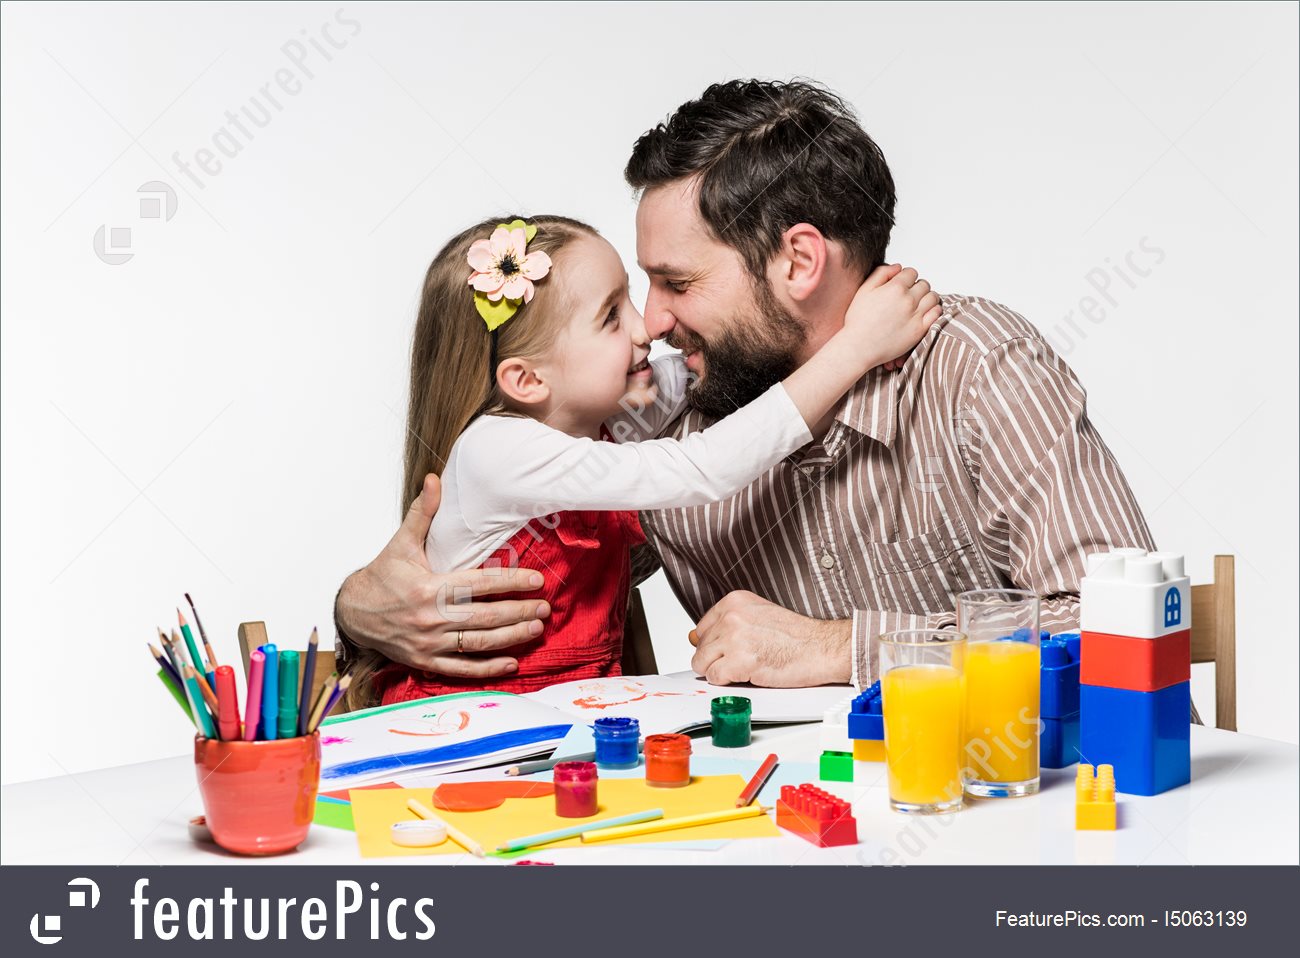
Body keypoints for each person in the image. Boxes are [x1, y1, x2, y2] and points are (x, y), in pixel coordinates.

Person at [335, 79, 1156, 697]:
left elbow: (1124, 630)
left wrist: (839, 649)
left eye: (677, 282)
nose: (651, 322)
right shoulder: (660, 411)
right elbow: (540, 561)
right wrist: (362, 606)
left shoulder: (978, 368)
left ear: (799, 262)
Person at [346, 212, 940, 708]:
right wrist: (856, 347)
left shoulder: (603, 417)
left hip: (574, 712)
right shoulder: (495, 451)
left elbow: (727, 369)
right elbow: (704, 467)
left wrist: (823, 313)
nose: (646, 328)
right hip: (469, 718)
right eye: (611, 317)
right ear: (525, 379)